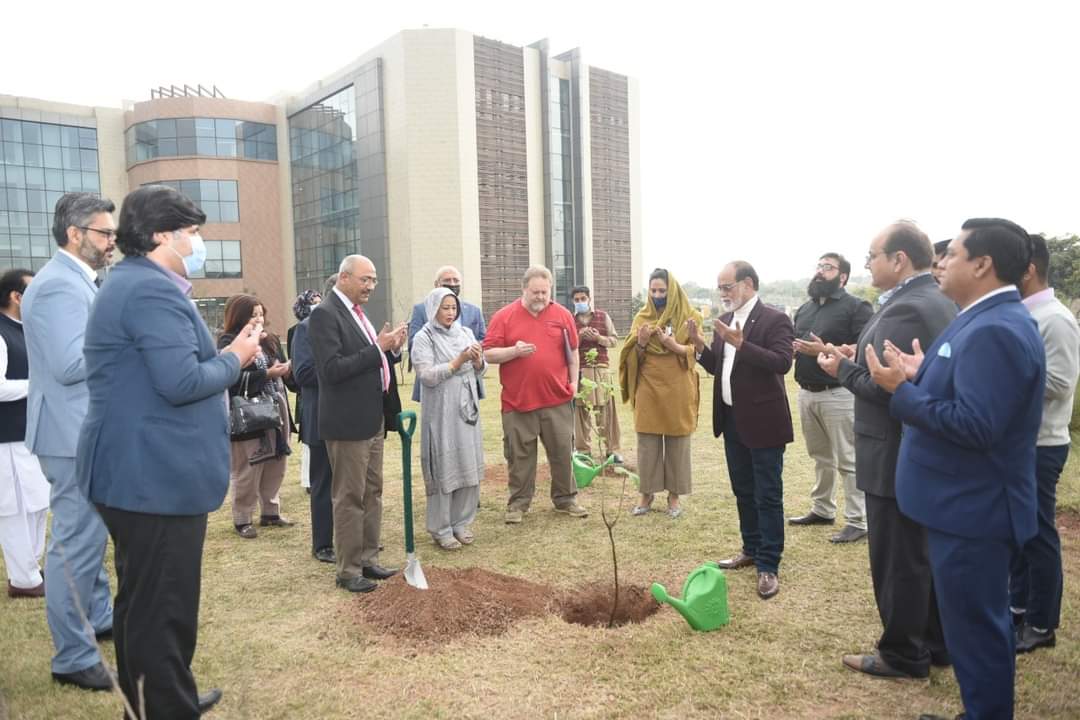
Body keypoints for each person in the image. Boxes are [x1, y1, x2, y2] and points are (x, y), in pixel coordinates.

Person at [78, 184, 260, 716]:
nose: (198, 241)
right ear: (162, 235)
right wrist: (236, 356)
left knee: (142, 602)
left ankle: (159, 695)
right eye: (193, 232)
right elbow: (180, 381)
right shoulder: (148, 290)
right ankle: (167, 705)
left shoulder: (136, 284)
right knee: (163, 608)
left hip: (137, 475)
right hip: (151, 478)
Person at [867, 218, 1044, 720]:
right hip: (959, 509)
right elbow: (971, 390)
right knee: (968, 626)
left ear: (983, 264)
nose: (942, 262)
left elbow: (977, 425)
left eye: (954, 254)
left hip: (975, 512)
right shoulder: (977, 317)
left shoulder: (997, 328)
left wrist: (900, 393)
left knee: (979, 629)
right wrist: (922, 373)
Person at [817, 221, 956, 680]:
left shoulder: (907, 309)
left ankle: (903, 653)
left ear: (899, 260)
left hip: (893, 451)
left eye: (873, 255)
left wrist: (842, 368)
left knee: (898, 559)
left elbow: (887, 388)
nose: (867, 263)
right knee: (918, 556)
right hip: (913, 450)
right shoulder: (931, 300)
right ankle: (935, 644)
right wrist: (857, 357)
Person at [21, 192, 116, 691]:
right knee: (73, 546)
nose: (111, 243)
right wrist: (127, 340)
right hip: (70, 434)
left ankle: (97, 618)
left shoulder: (78, 281)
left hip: (79, 430)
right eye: (104, 234)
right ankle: (73, 657)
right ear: (75, 234)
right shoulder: (60, 286)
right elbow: (69, 364)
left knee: (88, 538)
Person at [688, 261, 794, 600]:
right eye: (719, 287)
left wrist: (741, 344)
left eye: (727, 286)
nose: (722, 293)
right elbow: (718, 368)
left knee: (767, 492)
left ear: (747, 284)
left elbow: (782, 363)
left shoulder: (775, 319)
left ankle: (768, 563)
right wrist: (701, 346)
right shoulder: (728, 322)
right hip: (732, 420)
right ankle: (751, 548)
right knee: (743, 490)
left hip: (764, 422)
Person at [309, 255, 406, 593]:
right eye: (365, 279)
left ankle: (367, 558)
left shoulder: (358, 314)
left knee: (373, 492)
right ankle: (348, 570)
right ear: (344, 277)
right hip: (347, 424)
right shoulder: (324, 315)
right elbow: (332, 370)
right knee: (350, 496)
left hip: (372, 418)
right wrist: (377, 349)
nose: (371, 286)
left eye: (374, 280)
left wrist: (391, 350)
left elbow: (370, 359)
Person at [1010, 232, 1080, 653]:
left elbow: (1059, 382)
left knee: (1037, 533)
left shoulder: (1054, 318)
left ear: (1029, 269)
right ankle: (1018, 607)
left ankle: (1041, 623)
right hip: (1019, 441)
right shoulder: (1024, 314)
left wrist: (998, 374)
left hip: (1042, 443)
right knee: (1017, 531)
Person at [483, 265, 587, 524]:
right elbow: (488, 353)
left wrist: (574, 383)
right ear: (524, 289)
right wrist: (513, 351)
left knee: (562, 451)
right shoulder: (504, 317)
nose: (541, 297)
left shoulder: (562, 315)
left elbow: (573, 352)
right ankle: (518, 503)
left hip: (557, 399)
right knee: (520, 456)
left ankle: (566, 498)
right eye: (535, 292)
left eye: (545, 292)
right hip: (518, 402)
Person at [789, 253, 873, 542]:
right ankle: (823, 509)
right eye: (819, 266)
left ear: (843, 276)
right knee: (820, 457)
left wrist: (826, 350)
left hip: (838, 392)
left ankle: (858, 521)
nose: (820, 271)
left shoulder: (856, 307)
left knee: (848, 458)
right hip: (806, 391)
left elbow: (864, 345)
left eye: (828, 267)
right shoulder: (804, 309)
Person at [618, 270, 700, 518]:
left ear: (671, 290)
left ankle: (674, 497)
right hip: (649, 388)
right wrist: (641, 343)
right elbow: (630, 358)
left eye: (662, 291)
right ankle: (647, 493)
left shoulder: (690, 316)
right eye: (653, 291)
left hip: (678, 387)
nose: (657, 295)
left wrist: (675, 346)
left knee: (677, 442)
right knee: (647, 442)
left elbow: (700, 352)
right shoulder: (641, 318)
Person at [411, 287, 486, 549]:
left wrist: (477, 361)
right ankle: (441, 527)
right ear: (433, 309)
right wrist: (457, 362)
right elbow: (427, 375)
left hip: (466, 408)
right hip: (441, 410)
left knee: (468, 464)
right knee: (445, 467)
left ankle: (461, 522)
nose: (450, 313)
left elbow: (481, 368)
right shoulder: (425, 337)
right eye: (445, 308)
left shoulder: (464, 331)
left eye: (454, 308)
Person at [219, 295, 294, 539]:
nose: (259, 319)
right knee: (248, 467)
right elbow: (228, 379)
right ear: (239, 316)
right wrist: (267, 374)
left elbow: (281, 370)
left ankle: (270, 512)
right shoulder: (229, 343)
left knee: (276, 462)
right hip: (246, 414)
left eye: (261, 314)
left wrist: (284, 370)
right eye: (253, 314)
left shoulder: (270, 340)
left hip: (275, 408)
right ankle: (243, 518)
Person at [0, 269, 49, 599]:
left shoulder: (25, 329)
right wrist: (39, 386)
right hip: (7, 438)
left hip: (30, 434)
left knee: (37, 503)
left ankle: (31, 566)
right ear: (16, 297)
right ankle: (24, 579)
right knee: (14, 509)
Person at [291, 277, 338, 564]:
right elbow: (303, 374)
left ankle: (349, 536)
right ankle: (323, 544)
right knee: (323, 483)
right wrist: (340, 369)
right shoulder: (305, 329)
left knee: (349, 484)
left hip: (348, 416)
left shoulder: (352, 325)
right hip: (320, 415)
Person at [407, 265, 486, 403]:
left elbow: (483, 340)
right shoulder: (421, 310)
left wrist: (475, 352)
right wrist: (454, 357)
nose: (452, 284)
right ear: (436, 284)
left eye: (456, 281)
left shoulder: (474, 311)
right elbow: (413, 343)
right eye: (447, 280)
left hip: (467, 387)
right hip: (437, 388)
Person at [572, 285, 623, 465]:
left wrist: (598, 339)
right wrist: (578, 337)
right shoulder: (570, 320)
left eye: (583, 298)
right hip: (580, 370)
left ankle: (612, 450)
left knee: (606, 410)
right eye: (577, 300)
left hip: (600, 368)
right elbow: (566, 346)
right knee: (580, 411)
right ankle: (583, 451)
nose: (580, 302)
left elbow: (614, 340)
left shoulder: (602, 316)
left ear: (589, 299)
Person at [289, 289, 322, 493]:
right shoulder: (298, 330)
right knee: (310, 438)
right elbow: (300, 369)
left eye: (320, 301)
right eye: (313, 302)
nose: (317, 305)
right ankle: (308, 480)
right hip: (308, 393)